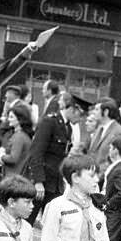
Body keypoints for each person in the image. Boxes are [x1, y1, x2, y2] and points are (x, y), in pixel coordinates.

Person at [24, 92, 85, 223]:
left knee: (51, 223)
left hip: (54, 184)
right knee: (27, 220)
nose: (80, 120)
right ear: (72, 109)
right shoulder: (49, 122)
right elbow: (36, 152)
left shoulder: (67, 127)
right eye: (79, 115)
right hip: (41, 181)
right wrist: (38, 181)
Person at [0, 101, 33, 177]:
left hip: (14, 177)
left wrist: (1, 156)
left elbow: (13, 158)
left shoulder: (19, 137)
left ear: (19, 119)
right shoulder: (23, 135)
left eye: (11, 117)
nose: (8, 119)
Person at [87, 98, 121, 169]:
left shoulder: (118, 131)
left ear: (106, 112)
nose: (93, 112)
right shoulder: (99, 129)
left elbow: (114, 159)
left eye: (96, 109)